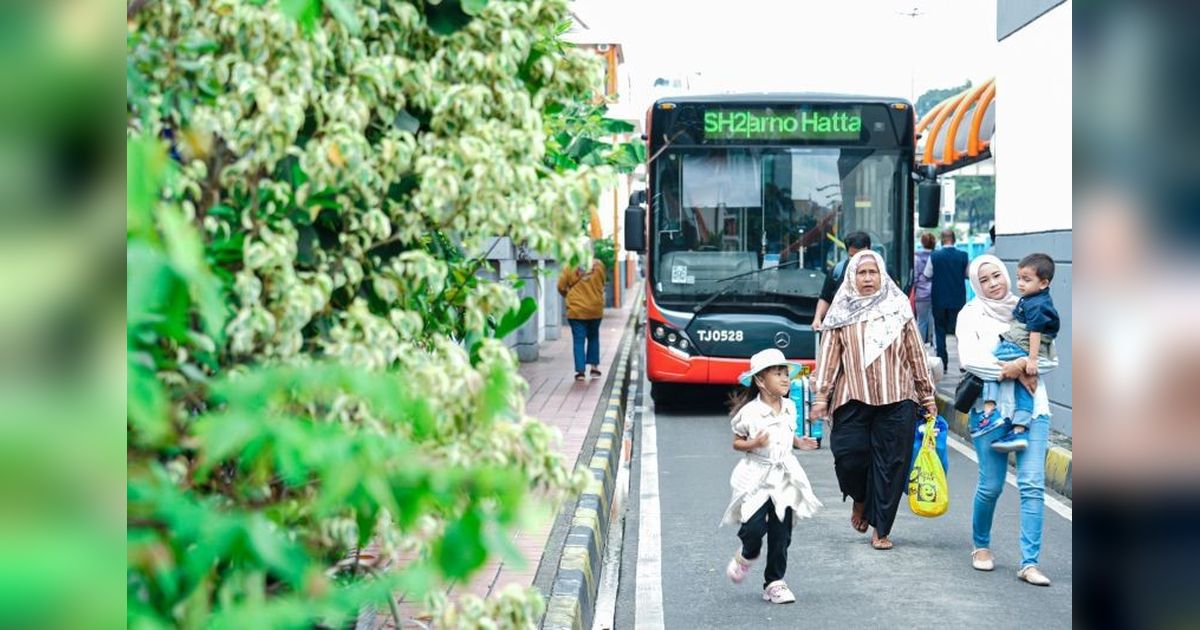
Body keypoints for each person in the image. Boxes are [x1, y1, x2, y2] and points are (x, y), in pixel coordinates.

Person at [810, 251, 938, 550]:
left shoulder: (898, 310)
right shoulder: (840, 313)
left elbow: (916, 354)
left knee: (891, 465)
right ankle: (861, 498)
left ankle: (881, 527)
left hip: (898, 396)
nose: (867, 278)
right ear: (852, 277)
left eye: (873, 272)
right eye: (861, 273)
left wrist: (927, 396)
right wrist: (821, 396)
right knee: (849, 457)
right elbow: (828, 357)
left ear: (882, 276)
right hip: (853, 396)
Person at [957, 255, 1057, 586]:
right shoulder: (970, 314)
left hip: (1033, 409)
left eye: (997, 275)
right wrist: (1013, 369)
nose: (993, 283)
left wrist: (1027, 365)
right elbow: (971, 361)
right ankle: (981, 546)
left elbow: (1049, 359)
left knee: (1032, 484)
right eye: (984, 279)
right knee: (991, 485)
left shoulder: (1031, 304)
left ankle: (1030, 563)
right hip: (991, 409)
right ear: (976, 284)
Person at [722, 348, 823, 604]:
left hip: (785, 474)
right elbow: (737, 443)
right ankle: (748, 552)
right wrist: (753, 442)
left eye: (786, 374)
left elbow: (787, 435)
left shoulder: (790, 407)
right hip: (756, 474)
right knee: (753, 528)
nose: (785, 379)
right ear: (760, 380)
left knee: (782, 532)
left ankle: (774, 582)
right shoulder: (749, 413)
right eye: (778, 374)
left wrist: (800, 443)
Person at [983, 253, 1060, 452]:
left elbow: (1036, 333)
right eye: (1018, 278)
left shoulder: (1037, 304)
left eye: (1026, 280)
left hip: (1019, 346)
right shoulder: (1029, 299)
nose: (1020, 284)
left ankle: (990, 409)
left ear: (1043, 283)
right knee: (1022, 383)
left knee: (993, 363)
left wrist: (1028, 362)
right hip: (1020, 346)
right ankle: (1019, 427)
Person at [924, 229, 969, 371]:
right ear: (954, 239)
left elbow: (927, 274)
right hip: (958, 299)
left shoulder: (935, 256)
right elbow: (967, 275)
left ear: (942, 240)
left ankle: (943, 363)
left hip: (939, 298)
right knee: (960, 331)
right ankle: (963, 362)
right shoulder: (963, 256)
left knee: (940, 330)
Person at [811, 231, 871, 330]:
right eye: (853, 256)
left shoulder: (885, 272)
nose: (857, 261)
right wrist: (817, 318)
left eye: (862, 256)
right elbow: (826, 298)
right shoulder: (837, 272)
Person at [557, 259, 606, 381]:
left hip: (576, 310)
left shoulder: (569, 266)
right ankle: (594, 368)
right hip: (595, 308)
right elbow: (603, 282)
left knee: (578, 340)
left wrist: (569, 296)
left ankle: (580, 372)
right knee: (594, 337)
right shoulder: (599, 265)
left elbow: (561, 286)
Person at [912, 232, 936, 345]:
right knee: (933, 319)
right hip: (935, 292)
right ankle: (932, 341)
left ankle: (920, 344)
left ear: (922, 242)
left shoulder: (916, 258)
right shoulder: (936, 256)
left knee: (921, 320)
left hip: (921, 293)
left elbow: (915, 276)